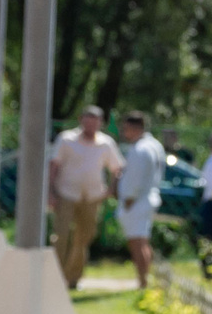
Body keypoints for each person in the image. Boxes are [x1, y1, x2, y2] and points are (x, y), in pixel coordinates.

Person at [47, 105, 123, 289]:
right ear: (81, 121)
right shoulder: (67, 139)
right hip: (66, 193)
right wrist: (50, 192)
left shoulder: (105, 143)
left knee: (84, 238)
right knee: (61, 235)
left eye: (95, 122)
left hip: (92, 196)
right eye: (88, 121)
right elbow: (54, 166)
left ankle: (73, 277)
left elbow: (117, 168)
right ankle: (56, 275)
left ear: (100, 124)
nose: (91, 125)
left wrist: (111, 189)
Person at [117, 110, 165, 287]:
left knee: (137, 242)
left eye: (126, 129)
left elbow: (134, 179)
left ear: (134, 128)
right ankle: (146, 279)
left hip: (137, 200)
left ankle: (143, 281)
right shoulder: (154, 145)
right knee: (142, 240)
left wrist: (128, 199)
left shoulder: (140, 149)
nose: (124, 132)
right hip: (149, 197)